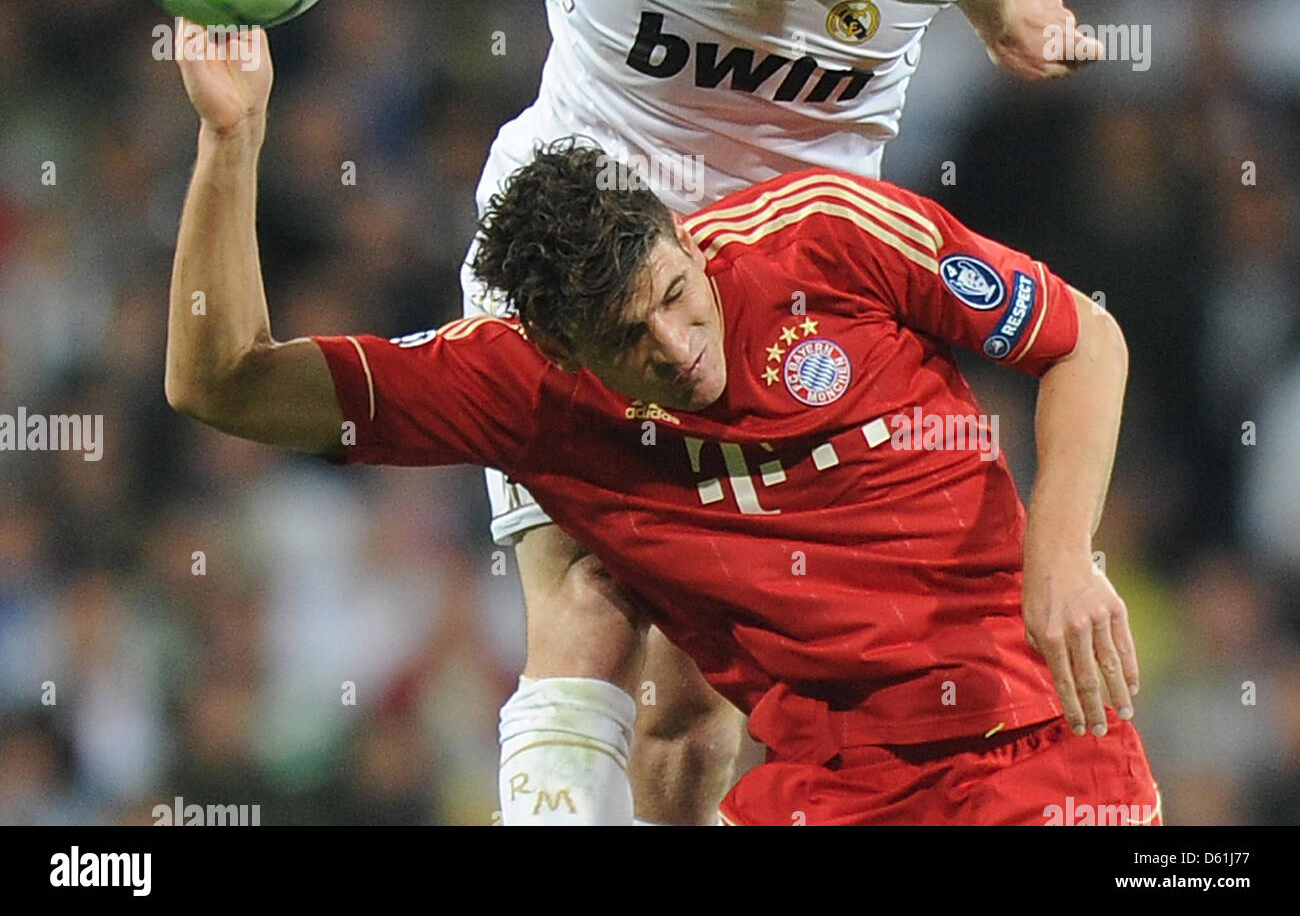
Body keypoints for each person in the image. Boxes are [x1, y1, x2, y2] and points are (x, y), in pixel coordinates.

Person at [395, 0, 1104, 824]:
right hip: (582, 241)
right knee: (587, 593)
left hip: (780, 286)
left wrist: (1000, 9)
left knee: (707, 682)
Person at [163, 47, 1158, 827]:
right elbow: (226, 384)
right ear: (559, 347)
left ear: (683, 240)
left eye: (678, 296)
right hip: (823, 784)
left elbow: (1086, 340)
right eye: (628, 340)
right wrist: (232, 137)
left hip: (1034, 741)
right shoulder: (519, 390)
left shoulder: (828, 232)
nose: (680, 348)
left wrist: (1062, 559)